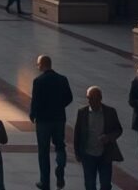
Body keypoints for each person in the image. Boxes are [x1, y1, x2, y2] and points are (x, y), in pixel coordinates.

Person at [30, 55, 73, 190]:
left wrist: (33, 114)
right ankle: (60, 167)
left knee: (43, 151)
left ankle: (45, 182)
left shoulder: (38, 81)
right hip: (59, 118)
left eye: (38, 64)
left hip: (43, 120)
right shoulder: (62, 79)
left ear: (42, 65)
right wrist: (59, 106)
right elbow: (69, 97)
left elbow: (35, 101)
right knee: (60, 145)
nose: (37, 66)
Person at [73, 86, 123, 190]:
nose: (90, 102)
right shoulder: (82, 112)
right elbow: (77, 133)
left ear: (100, 98)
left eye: (93, 99)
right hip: (88, 155)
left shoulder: (110, 112)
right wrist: (77, 153)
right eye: (89, 98)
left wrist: (109, 137)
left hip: (105, 154)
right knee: (90, 185)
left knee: (105, 184)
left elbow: (118, 130)